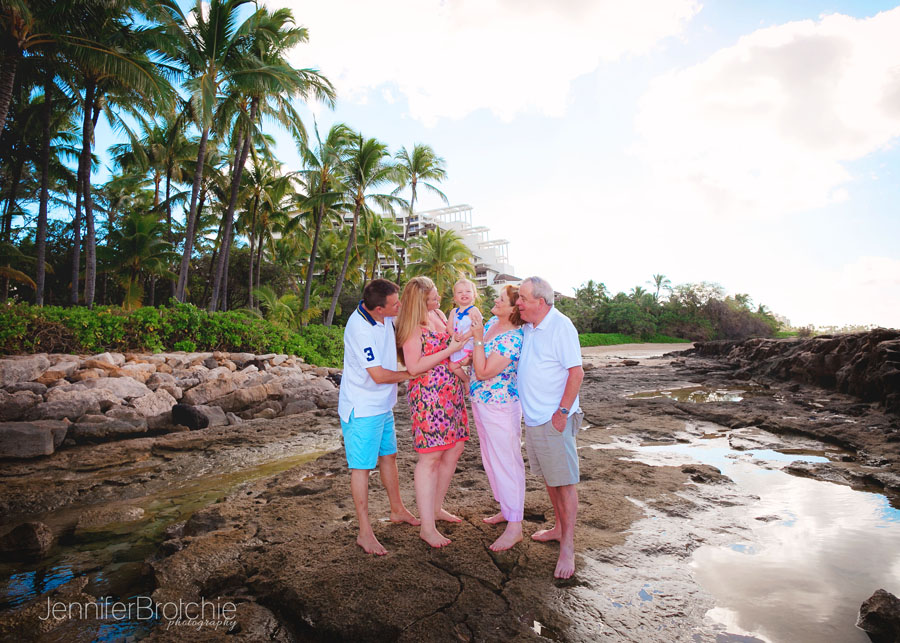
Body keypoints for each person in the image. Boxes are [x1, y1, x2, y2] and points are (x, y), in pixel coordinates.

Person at [338, 278, 419, 556]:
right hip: (362, 408)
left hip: (383, 405)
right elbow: (379, 375)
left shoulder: (387, 316)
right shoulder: (359, 328)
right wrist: (412, 373)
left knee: (389, 456)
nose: (400, 306)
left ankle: (397, 509)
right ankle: (364, 531)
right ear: (378, 309)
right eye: (395, 304)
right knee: (361, 468)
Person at [516, 276, 585, 579]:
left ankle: (567, 546)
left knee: (564, 482)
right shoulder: (530, 327)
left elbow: (576, 373)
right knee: (550, 478)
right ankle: (558, 528)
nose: (518, 303)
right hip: (534, 418)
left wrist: (562, 412)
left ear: (540, 302)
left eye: (523, 298)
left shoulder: (560, 326)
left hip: (553, 417)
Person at [396, 276, 469, 548]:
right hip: (429, 396)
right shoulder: (412, 326)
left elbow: (453, 347)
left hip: (451, 392)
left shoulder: (438, 314)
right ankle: (427, 527)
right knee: (430, 457)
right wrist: (450, 349)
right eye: (433, 296)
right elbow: (414, 367)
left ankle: (436, 508)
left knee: (455, 448)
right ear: (420, 300)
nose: (439, 298)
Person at [468, 285, 526, 551]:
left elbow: (483, 371)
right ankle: (506, 509)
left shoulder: (513, 338)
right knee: (491, 459)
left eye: (501, 299)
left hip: (501, 406)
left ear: (514, 309)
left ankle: (515, 526)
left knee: (507, 462)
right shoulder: (492, 323)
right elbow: (475, 356)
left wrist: (478, 338)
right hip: (481, 401)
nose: (496, 300)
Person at [447, 277, 478, 365]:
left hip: (469, 343)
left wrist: (465, 336)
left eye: (468, 291)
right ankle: (465, 376)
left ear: (474, 295)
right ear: (455, 298)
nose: (464, 294)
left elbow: (477, 328)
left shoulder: (474, 310)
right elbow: (449, 327)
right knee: (453, 365)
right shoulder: (454, 312)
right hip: (456, 343)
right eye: (460, 292)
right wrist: (454, 335)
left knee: (465, 363)